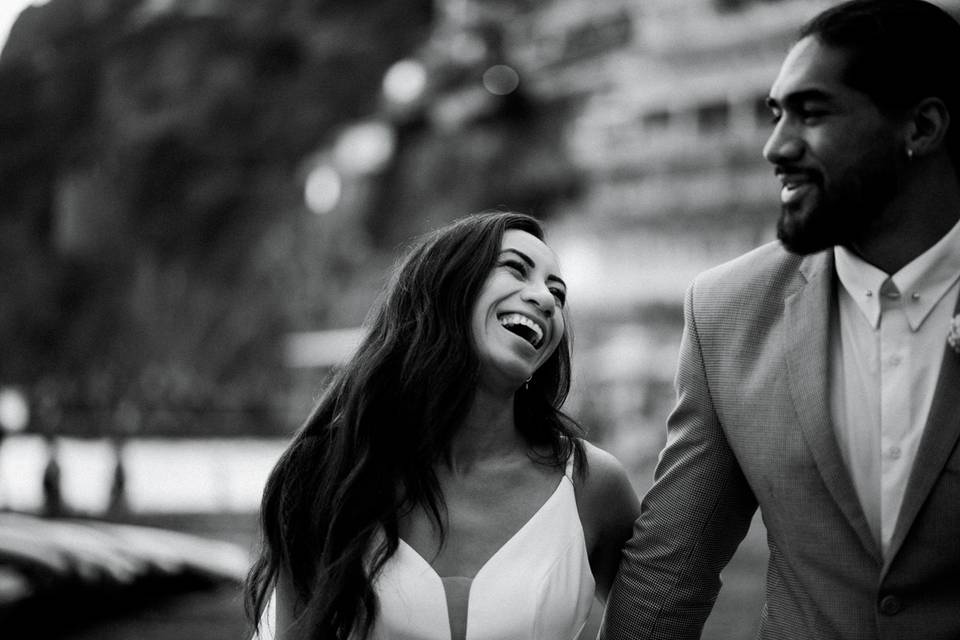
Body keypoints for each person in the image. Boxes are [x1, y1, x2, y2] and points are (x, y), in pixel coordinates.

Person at [602, 1, 960, 638]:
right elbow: (671, 567)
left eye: (812, 113)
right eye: (775, 114)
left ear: (922, 126)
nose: (776, 147)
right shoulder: (726, 311)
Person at [245, 211, 640, 640]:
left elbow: (661, 620)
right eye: (515, 269)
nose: (545, 299)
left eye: (557, 293)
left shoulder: (593, 487)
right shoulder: (324, 473)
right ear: (447, 288)